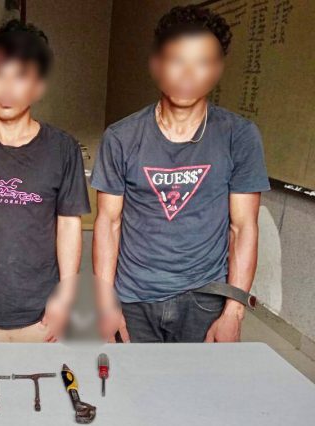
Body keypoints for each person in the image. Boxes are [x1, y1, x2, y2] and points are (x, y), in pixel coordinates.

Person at [92, 5, 269, 344]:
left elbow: (243, 226)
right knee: (132, 377)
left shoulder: (239, 136)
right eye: (177, 60)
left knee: (198, 379)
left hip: (205, 298)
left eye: (202, 62)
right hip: (133, 297)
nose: (188, 74)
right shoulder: (121, 137)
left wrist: (234, 310)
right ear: (158, 64)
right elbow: (108, 223)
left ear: (217, 68)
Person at [0, 20, 90, 343]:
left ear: (37, 86)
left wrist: (66, 294)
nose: (7, 88)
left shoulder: (63, 149)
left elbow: (68, 224)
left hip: (45, 314)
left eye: (20, 76)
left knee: (45, 379)